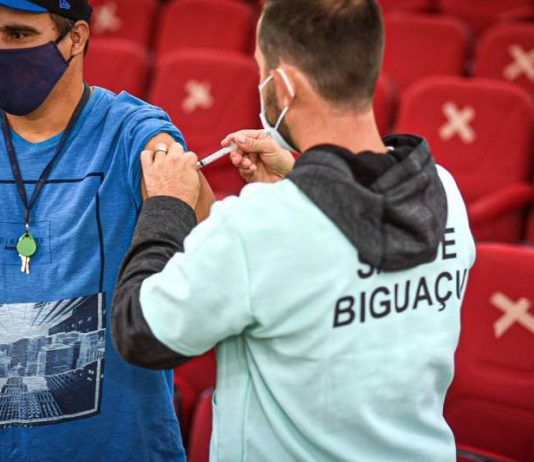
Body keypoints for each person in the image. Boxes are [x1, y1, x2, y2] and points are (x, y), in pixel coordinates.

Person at [112, 0, 476, 460]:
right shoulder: (443, 190)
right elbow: (345, 241)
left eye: (261, 70)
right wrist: (303, 177)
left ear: (281, 87)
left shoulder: (259, 225)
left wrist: (166, 204)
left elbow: (139, 331)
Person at [0, 1, 214, 460]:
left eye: (18, 35)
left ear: (75, 39)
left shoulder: (131, 131)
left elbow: (209, 240)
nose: (2, 48)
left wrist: (174, 186)